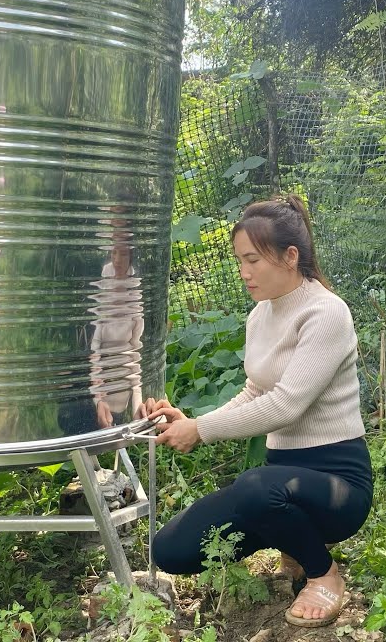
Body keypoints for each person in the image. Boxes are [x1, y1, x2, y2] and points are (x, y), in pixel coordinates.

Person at [143, 195, 372, 628]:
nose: (244, 272)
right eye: (240, 261)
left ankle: (324, 574)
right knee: (170, 550)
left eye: (253, 260)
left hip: (338, 484)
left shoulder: (326, 312)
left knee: (254, 490)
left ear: (290, 256)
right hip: (277, 480)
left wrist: (203, 430)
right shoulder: (259, 315)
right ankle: (293, 541)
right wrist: (189, 421)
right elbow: (254, 391)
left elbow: (287, 403)